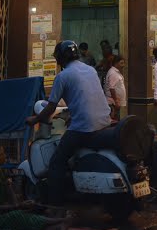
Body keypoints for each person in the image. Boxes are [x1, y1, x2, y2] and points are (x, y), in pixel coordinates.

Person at [25, 40, 112, 205]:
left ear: (60, 58)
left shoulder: (63, 76)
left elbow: (50, 108)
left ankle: (55, 204)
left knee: (56, 163)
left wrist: (34, 119)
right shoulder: (90, 70)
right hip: (104, 123)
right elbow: (87, 97)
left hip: (84, 129)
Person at [0, 143, 82, 230]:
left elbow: (11, 196)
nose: (4, 156)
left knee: (26, 212)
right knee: (17, 216)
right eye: (1, 154)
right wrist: (18, 207)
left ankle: (57, 226)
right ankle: (63, 220)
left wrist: (21, 205)